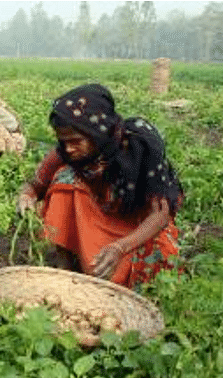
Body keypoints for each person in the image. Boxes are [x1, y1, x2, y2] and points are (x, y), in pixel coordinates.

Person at [16, 84, 184, 289]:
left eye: (76, 141)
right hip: (96, 219)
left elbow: (161, 214)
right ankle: (66, 267)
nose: (68, 148)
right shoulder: (67, 150)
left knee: (136, 273)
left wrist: (121, 247)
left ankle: (106, 263)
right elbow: (35, 185)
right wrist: (26, 196)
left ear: (97, 131)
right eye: (63, 141)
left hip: (134, 227)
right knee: (65, 179)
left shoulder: (140, 145)